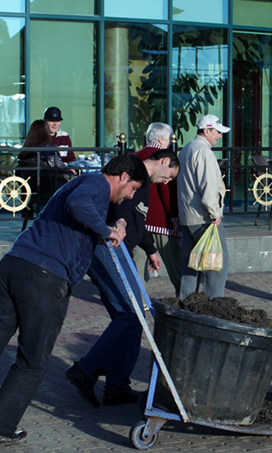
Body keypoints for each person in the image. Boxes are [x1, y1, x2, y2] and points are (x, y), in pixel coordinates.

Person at [0, 153, 148, 453]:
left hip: (13, 267)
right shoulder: (94, 184)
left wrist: (111, 228)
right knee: (33, 362)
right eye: (133, 188)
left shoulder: (83, 189)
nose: (131, 195)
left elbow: (78, 226)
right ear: (122, 176)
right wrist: (108, 230)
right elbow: (79, 206)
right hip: (43, 279)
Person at [66, 148, 180, 407]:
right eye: (170, 175)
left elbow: (136, 218)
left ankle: (117, 385)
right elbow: (123, 210)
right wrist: (119, 226)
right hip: (110, 248)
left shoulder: (144, 184)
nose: (167, 182)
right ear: (164, 161)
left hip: (119, 249)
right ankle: (87, 370)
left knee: (129, 317)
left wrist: (150, 250)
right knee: (132, 314)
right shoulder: (136, 178)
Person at [177, 114, 229, 300]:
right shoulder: (204, 152)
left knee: (191, 263)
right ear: (206, 130)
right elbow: (208, 186)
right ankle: (213, 305)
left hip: (188, 216)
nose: (219, 136)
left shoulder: (186, 150)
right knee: (216, 265)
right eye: (217, 132)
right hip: (204, 217)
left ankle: (185, 302)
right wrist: (215, 212)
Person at [143, 122, 183, 295]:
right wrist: (174, 218)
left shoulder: (137, 156)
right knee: (176, 264)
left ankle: (137, 302)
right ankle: (185, 298)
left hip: (139, 222)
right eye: (168, 139)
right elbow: (167, 192)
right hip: (161, 221)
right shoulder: (164, 160)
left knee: (137, 266)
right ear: (161, 139)